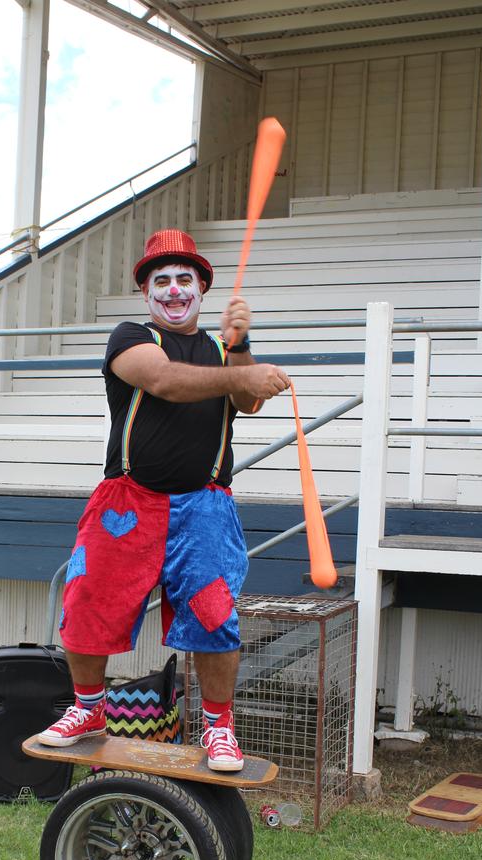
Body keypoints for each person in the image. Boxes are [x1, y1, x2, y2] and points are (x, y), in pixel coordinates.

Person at [39, 229, 291, 769]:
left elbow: (247, 401)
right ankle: (87, 708)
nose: (173, 291)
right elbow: (168, 382)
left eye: (184, 279)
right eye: (162, 281)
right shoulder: (131, 337)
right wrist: (241, 369)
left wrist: (240, 342)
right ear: (146, 292)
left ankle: (219, 728)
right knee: (87, 600)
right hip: (126, 503)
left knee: (214, 616)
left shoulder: (225, 351)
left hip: (205, 506)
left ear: (201, 288)